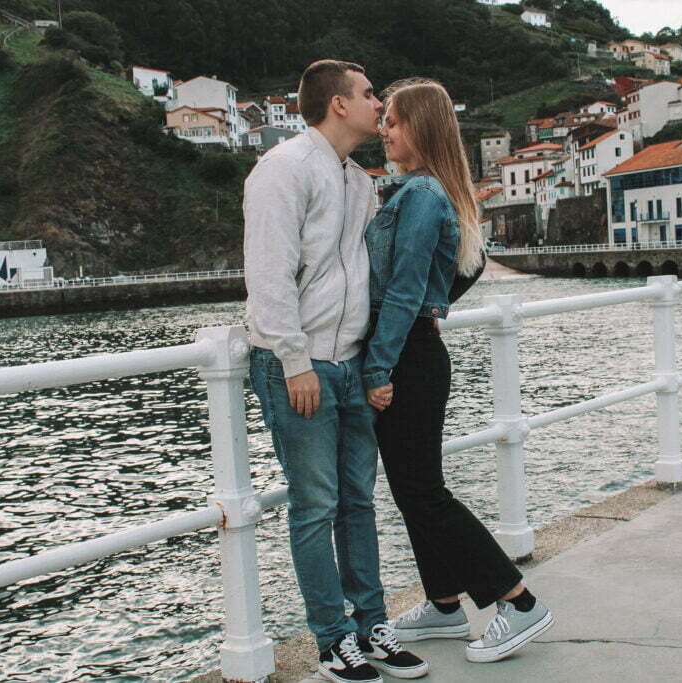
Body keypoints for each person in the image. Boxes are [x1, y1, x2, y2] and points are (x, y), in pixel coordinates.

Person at [244, 60, 428, 683]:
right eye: (370, 93)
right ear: (338, 104)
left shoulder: (358, 180)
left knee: (358, 502)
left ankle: (371, 624)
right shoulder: (284, 169)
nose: (380, 102)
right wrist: (296, 362)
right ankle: (332, 640)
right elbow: (268, 275)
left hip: (349, 364)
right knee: (316, 506)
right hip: (299, 367)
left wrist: (371, 358)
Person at [363, 79, 553, 664]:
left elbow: (399, 292)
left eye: (392, 120)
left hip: (404, 358)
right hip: (414, 350)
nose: (383, 128)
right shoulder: (432, 192)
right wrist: (433, 306)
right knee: (412, 490)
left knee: (423, 492)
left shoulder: (422, 196)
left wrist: (380, 363)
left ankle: (517, 603)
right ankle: (445, 604)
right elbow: (455, 271)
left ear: (420, 126)